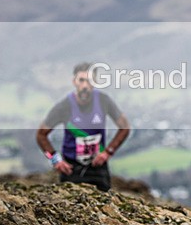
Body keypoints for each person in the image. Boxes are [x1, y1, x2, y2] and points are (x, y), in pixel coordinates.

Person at [36, 62, 131, 192]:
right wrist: (55, 160)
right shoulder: (64, 106)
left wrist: (109, 152)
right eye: (81, 80)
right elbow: (41, 135)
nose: (85, 85)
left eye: (90, 81)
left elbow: (125, 128)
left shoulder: (104, 101)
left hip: (98, 168)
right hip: (71, 169)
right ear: (74, 81)